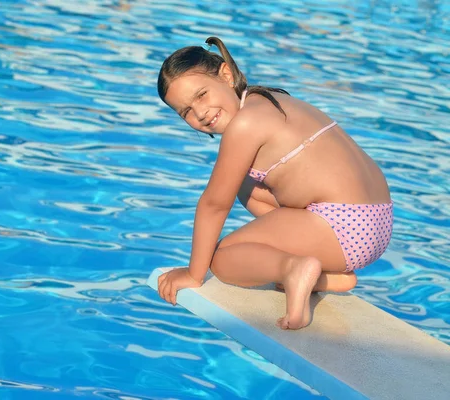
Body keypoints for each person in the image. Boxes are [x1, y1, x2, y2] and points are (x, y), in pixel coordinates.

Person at [155, 36, 393, 330]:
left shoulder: (245, 124)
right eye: (186, 112)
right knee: (242, 181)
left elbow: (214, 204)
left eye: (201, 95)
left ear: (226, 75)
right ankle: (328, 275)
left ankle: (293, 268)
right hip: (376, 219)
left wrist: (193, 274)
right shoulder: (270, 99)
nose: (200, 113)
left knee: (223, 260)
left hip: (344, 227)